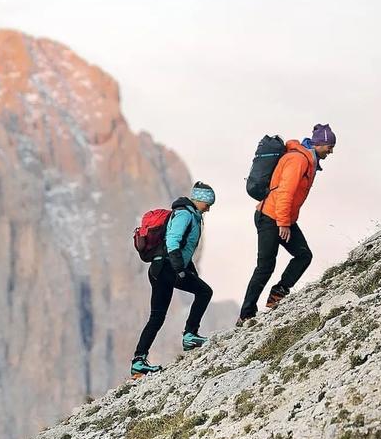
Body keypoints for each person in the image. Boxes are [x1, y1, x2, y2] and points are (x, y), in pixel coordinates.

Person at [236, 124, 336, 326]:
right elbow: (285, 192)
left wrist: (286, 222)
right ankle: (246, 314)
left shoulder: (307, 161)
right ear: (319, 144)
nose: (331, 151)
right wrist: (283, 223)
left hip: (283, 219)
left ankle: (277, 294)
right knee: (265, 266)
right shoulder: (298, 160)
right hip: (270, 217)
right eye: (329, 146)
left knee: (303, 255)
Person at [131, 182, 216, 377]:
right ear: (200, 200)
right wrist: (180, 269)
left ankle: (140, 361)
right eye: (208, 203)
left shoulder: (192, 215)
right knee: (202, 293)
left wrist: (188, 269)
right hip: (165, 269)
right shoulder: (185, 214)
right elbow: (173, 241)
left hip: (166, 269)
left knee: (160, 315)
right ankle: (189, 336)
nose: (209, 208)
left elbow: (185, 250)